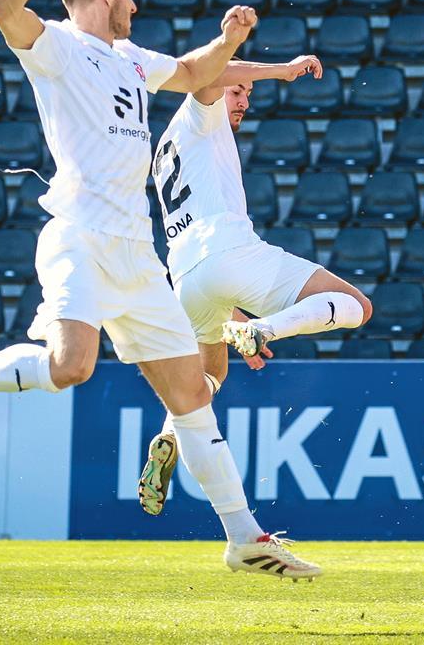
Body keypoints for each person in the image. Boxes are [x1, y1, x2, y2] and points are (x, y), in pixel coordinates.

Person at [0, 0, 320, 580]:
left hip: (137, 251)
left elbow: (188, 74)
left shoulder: (129, 58)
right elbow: (6, 12)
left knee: (193, 392)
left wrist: (232, 41)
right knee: (70, 368)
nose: (135, 5)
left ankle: (244, 537)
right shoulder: (58, 47)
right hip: (81, 236)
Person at [137, 56, 373, 517]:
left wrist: (233, 315)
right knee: (355, 304)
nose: (244, 100)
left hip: (186, 274)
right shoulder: (199, 108)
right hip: (229, 247)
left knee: (210, 376)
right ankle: (269, 329)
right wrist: (282, 69)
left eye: (248, 93)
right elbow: (213, 67)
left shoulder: (169, 145)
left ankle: (168, 433)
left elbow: (210, 269)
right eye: (238, 90)